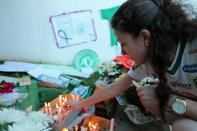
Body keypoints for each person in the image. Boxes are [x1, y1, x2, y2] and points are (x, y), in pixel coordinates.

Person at [65, 0, 197, 130]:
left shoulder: (192, 50)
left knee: (181, 123)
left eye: (123, 44)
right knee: (152, 100)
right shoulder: (151, 58)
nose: (122, 52)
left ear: (145, 37)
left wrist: (169, 100)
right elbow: (113, 88)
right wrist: (79, 104)